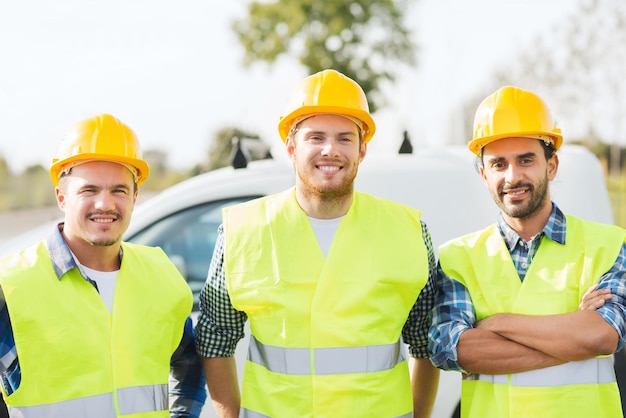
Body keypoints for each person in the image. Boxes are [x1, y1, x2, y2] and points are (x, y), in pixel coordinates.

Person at [195, 69, 440, 418]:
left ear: (362, 149)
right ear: (291, 147)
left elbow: (425, 343)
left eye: (344, 138)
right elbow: (215, 340)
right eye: (316, 137)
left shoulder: (409, 230)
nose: (330, 150)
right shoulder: (242, 231)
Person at [429, 85, 626, 417]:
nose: (513, 176)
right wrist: (572, 335)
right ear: (483, 174)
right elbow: (454, 351)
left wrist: (496, 323)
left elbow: (601, 337)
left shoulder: (608, 245)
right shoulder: (456, 258)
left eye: (525, 160)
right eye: (498, 164)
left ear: (551, 165)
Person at [0, 114, 207, 417]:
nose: (105, 204)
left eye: (119, 190)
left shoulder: (161, 276)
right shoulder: (12, 285)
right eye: (89, 190)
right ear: (61, 197)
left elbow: (190, 362)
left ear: (135, 197)